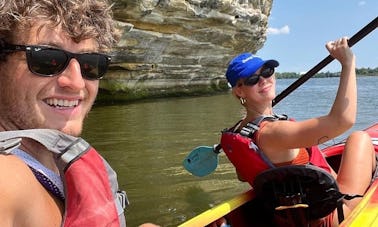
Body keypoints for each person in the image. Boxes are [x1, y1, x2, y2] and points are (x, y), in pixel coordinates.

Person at [0, 0, 160, 226]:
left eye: (90, 64)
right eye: (47, 59)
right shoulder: (6, 181)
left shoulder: (52, 165)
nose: (76, 83)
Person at [219, 37, 377, 226]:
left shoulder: (238, 133)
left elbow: (243, 175)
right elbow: (342, 121)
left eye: (267, 71)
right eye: (253, 80)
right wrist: (348, 63)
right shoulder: (273, 132)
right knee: (359, 138)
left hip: (289, 218)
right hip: (330, 217)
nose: (264, 80)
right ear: (239, 92)